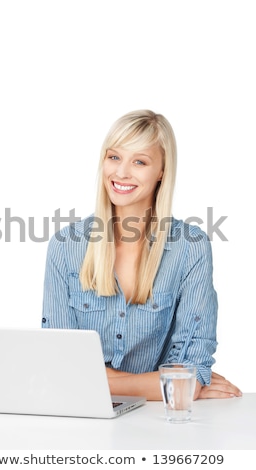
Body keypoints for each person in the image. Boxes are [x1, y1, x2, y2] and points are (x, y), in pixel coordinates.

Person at [42, 109, 241, 400]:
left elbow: (191, 372)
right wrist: (168, 385)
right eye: (114, 157)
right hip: (82, 419)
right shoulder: (65, 246)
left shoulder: (191, 248)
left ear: (162, 171)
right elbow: (59, 367)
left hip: (160, 426)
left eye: (139, 161)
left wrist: (94, 381)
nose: (121, 172)